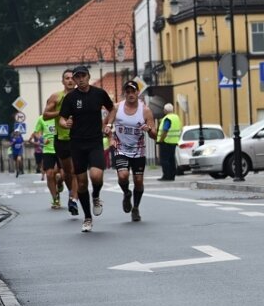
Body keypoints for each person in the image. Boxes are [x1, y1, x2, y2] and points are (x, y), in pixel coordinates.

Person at [59, 65, 114, 233]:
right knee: (82, 183)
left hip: (95, 141)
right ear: (74, 80)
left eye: (83, 76)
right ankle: (87, 218)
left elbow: (112, 108)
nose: (80, 79)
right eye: (77, 77)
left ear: (89, 76)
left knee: (96, 175)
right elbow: (62, 118)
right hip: (77, 144)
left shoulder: (99, 93)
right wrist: (65, 123)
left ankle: (96, 195)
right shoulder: (70, 98)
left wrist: (109, 124)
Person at [105, 80, 156, 222]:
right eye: (127, 92)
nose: (130, 94)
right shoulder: (116, 107)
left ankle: (136, 208)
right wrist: (110, 136)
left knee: (138, 180)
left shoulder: (145, 110)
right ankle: (127, 194)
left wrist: (149, 129)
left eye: (133, 91)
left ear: (138, 93)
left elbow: (154, 135)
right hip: (120, 148)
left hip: (138, 150)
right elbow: (106, 124)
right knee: (123, 176)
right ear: (124, 94)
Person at [44, 69, 79, 216]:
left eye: (72, 78)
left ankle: (73, 199)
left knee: (76, 171)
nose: (70, 80)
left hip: (77, 138)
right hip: (62, 140)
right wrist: (61, 113)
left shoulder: (81, 96)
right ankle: (71, 191)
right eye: (67, 78)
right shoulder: (56, 97)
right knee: (67, 174)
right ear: (63, 81)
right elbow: (45, 115)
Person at [34, 114, 61, 208]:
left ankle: (60, 183)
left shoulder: (60, 116)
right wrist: (42, 139)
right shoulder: (41, 118)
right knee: (49, 174)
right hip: (48, 150)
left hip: (61, 149)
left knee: (61, 174)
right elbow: (36, 132)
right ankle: (55, 199)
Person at [156, 103, 181, 181]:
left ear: (165, 110)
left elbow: (165, 130)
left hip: (166, 142)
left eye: (164, 109)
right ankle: (172, 175)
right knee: (171, 159)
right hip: (174, 142)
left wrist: (160, 140)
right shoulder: (176, 117)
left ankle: (166, 176)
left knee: (165, 160)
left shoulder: (167, 118)